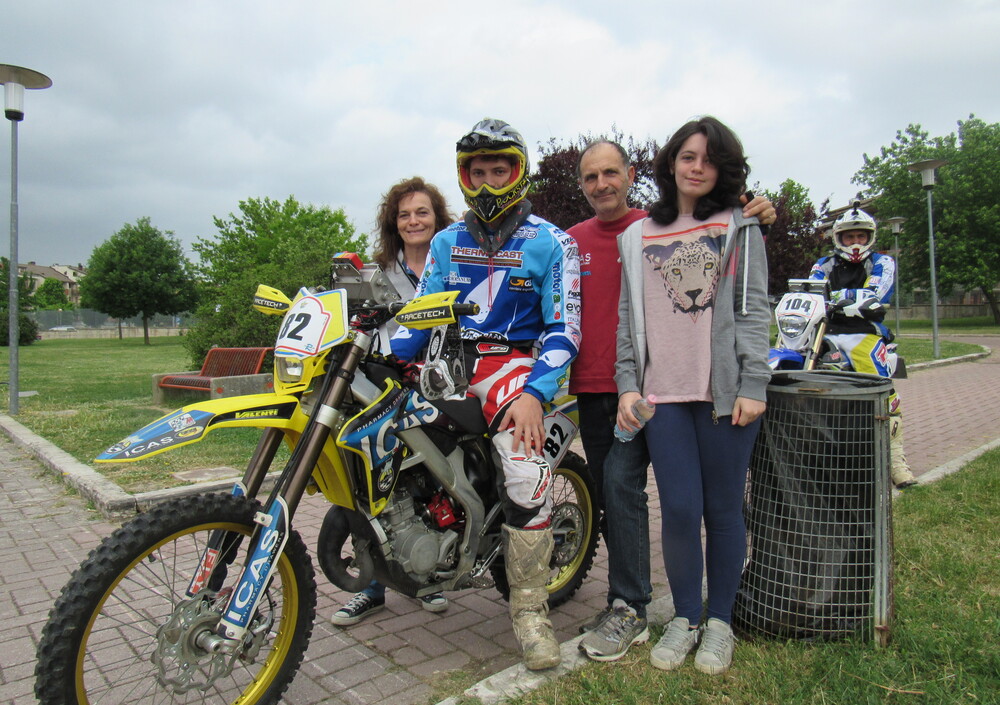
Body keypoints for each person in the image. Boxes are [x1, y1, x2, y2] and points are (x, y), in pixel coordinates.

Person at [572, 140, 775, 661]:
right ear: (671, 165)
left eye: (709, 159)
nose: (697, 167)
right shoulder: (639, 235)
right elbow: (627, 319)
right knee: (680, 511)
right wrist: (629, 384)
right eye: (688, 157)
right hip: (662, 398)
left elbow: (754, 308)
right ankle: (685, 618)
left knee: (722, 510)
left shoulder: (741, 225)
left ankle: (720, 623)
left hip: (723, 395)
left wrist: (754, 383)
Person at [391, 118, 581, 671]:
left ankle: (531, 611)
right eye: (478, 171)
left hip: (516, 367)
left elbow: (565, 328)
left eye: (500, 169)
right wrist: (387, 356)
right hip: (446, 363)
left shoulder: (553, 242)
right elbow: (419, 314)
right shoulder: (445, 242)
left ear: (519, 172)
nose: (489, 181)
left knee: (524, 469)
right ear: (464, 175)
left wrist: (536, 393)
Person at [330, 176, 456, 626]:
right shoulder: (378, 271)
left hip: (438, 384)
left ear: (437, 218)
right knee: (368, 482)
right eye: (404, 215)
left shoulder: (452, 263)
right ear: (393, 222)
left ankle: (430, 575)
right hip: (381, 386)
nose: (413, 221)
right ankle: (371, 586)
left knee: (432, 480)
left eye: (422, 212)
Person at [809, 203, 917, 489]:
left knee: (880, 390)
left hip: (865, 333)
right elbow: (810, 291)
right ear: (839, 238)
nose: (855, 242)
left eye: (860, 236)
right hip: (825, 332)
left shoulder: (883, 262)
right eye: (849, 236)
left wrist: (835, 297)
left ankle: (895, 461)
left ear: (870, 237)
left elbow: (875, 293)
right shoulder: (823, 264)